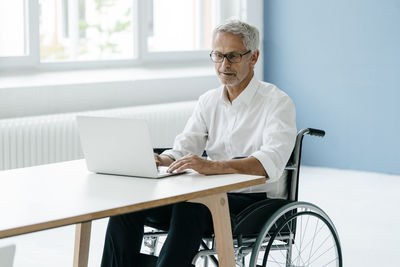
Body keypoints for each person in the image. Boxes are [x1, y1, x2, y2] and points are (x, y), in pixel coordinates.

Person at [101, 19, 297, 267]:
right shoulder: (209, 101)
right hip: (209, 196)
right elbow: (185, 147)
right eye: (218, 56)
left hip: (255, 200)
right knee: (128, 205)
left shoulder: (277, 102)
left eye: (233, 56)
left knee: (192, 204)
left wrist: (212, 167)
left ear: (254, 57)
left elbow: (270, 162)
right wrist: (162, 159)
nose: (224, 65)